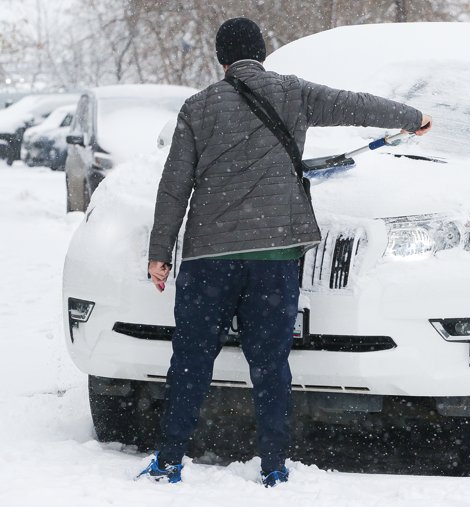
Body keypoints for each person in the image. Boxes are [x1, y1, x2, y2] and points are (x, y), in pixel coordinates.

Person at [137, 17, 432, 486]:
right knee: (270, 363)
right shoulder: (293, 93)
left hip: (209, 257)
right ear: (263, 53)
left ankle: (169, 460)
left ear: (221, 59)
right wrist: (410, 117)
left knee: (191, 360)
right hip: (275, 255)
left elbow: (174, 186)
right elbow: (354, 104)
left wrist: (159, 252)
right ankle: (273, 465)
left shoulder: (198, 107)